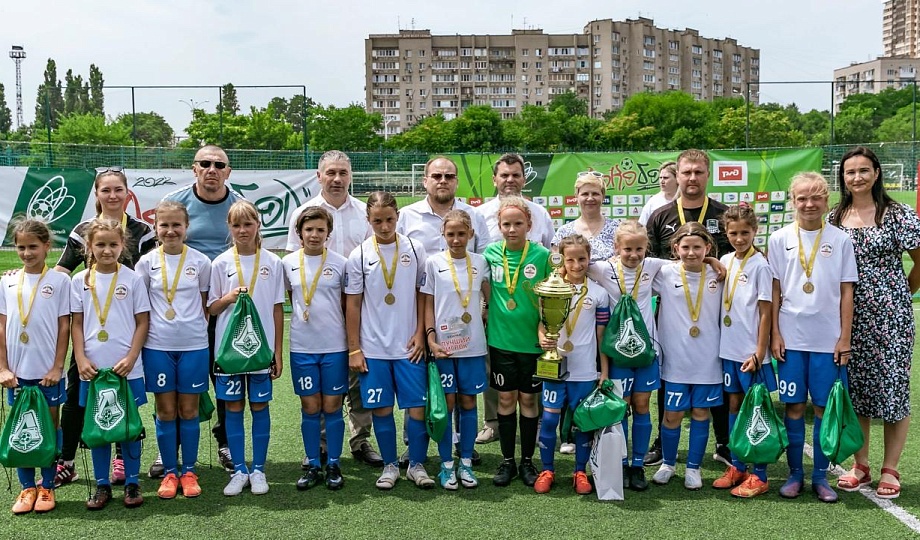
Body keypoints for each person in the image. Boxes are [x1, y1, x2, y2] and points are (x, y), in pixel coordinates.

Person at [54, 167, 156, 487]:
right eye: (105, 190)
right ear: (97, 194)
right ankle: (67, 461)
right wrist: (26, 278)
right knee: (76, 397)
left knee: (125, 395)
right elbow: (62, 270)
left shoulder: (143, 231)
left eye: (118, 189)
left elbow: (158, 271)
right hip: (90, 336)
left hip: (128, 329)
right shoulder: (83, 230)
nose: (112, 195)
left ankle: (122, 458)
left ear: (127, 193)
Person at [828, 146, 920, 500]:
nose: (857, 177)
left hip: (891, 319)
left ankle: (891, 468)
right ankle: (861, 464)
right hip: (848, 318)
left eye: (864, 170)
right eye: (850, 172)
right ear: (843, 177)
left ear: (876, 173)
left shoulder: (897, 214)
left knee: (893, 389)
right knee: (857, 390)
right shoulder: (836, 216)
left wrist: (901, 293)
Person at [286, 150, 382, 469]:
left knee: (358, 378)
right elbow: (294, 267)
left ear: (350, 176)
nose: (337, 179)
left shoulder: (364, 213)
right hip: (319, 314)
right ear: (319, 176)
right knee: (321, 390)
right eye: (331, 172)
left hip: (359, 308)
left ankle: (360, 440)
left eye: (343, 172)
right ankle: (322, 444)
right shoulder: (303, 213)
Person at [769, 172, 857, 503]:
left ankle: (820, 477)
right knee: (793, 407)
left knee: (823, 408)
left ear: (826, 201)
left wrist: (844, 337)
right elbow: (774, 290)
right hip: (791, 339)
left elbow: (846, 292)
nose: (809, 203)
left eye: (816, 197)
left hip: (828, 341)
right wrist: (775, 333)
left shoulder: (841, 239)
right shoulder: (779, 238)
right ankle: (795, 474)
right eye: (802, 198)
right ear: (793, 201)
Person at [398, 156, 489, 467]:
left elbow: (484, 268)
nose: (442, 180)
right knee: (424, 382)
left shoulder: (474, 216)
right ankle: (415, 443)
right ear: (425, 180)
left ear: (456, 181)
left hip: (463, 318)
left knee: (463, 394)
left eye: (449, 176)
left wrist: (484, 311)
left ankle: (463, 446)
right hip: (420, 311)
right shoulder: (408, 215)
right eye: (436, 175)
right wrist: (425, 330)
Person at [644, 149, 731, 468]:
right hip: (674, 307)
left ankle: (723, 442)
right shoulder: (660, 215)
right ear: (677, 175)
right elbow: (647, 261)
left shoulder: (723, 213)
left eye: (698, 172)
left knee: (714, 376)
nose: (692, 178)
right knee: (669, 375)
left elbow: (735, 258)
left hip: (713, 309)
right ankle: (661, 442)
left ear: (708, 175)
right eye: (686, 172)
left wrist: (713, 261)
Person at [162, 145, 246, 474]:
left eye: (219, 165)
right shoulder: (176, 202)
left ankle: (225, 442)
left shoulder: (239, 204)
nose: (212, 169)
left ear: (228, 171)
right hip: (185, 309)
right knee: (175, 384)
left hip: (224, 306)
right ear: (194, 168)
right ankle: (171, 448)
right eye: (205, 163)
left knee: (224, 376)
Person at [345, 192, 431, 490]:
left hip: (410, 347)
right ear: (368, 220)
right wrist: (354, 348)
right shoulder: (359, 255)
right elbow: (353, 304)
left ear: (398, 217)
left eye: (390, 220)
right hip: (374, 348)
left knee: (416, 408)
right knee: (381, 409)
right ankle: (390, 465)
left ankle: (416, 464)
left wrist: (420, 334)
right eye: (377, 221)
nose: (384, 226)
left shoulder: (415, 248)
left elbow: (423, 295)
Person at [474, 153, 554, 446]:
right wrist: (484, 304)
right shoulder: (480, 213)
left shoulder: (540, 212)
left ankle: (538, 424)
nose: (510, 180)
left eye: (515, 175)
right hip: (495, 306)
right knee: (494, 368)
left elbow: (549, 260)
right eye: (504, 175)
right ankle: (492, 422)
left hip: (530, 310)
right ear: (495, 179)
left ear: (524, 178)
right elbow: (478, 264)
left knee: (531, 379)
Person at [71, 218, 150, 509]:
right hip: (92, 369)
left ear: (123, 245)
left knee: (128, 427)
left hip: (126, 368)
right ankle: (102, 484)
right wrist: (80, 358)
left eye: (113, 244)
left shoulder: (132, 279)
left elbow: (143, 322)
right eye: (100, 244)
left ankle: (132, 481)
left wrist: (131, 357)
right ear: (89, 246)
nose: (107, 250)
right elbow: (76, 323)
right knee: (99, 426)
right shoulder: (79, 281)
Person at [135, 201, 211, 499]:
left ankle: (189, 471)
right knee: (166, 411)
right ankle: (169, 471)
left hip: (193, 345)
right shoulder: (146, 263)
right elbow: (140, 308)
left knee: (189, 410)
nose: (170, 231)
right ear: (156, 228)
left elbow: (205, 304)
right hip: (157, 346)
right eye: (164, 225)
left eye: (176, 225)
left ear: (186, 227)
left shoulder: (201, 262)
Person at [208, 201, 285, 497]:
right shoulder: (221, 263)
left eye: (248, 224)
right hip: (229, 353)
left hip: (260, 353)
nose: (243, 230)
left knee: (260, 407)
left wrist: (277, 352)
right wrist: (228, 298)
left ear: (258, 225)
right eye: (236, 225)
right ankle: (239, 470)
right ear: (229, 228)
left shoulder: (273, 262)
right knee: (233, 408)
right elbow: (212, 309)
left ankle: (259, 469)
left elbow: (277, 309)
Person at [587, 219, 668, 491]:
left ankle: (637, 465)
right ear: (616, 247)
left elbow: (686, 264)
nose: (633, 255)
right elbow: (573, 264)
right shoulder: (603, 269)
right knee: (620, 407)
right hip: (618, 354)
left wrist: (714, 262)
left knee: (642, 405)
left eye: (639, 249)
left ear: (647, 248)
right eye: (627, 249)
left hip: (646, 352)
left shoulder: (653, 266)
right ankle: (620, 462)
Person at [0, 220, 71, 514]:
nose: (27, 253)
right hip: (17, 374)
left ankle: (47, 485)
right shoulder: (7, 281)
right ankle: (27, 487)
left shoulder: (60, 282)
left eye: (33, 246)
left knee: (50, 427)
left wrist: (57, 367)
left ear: (47, 246)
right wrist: (3, 368)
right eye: (21, 247)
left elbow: (64, 326)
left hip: (48, 374)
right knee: (22, 429)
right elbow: (2, 327)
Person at [483, 196, 551, 487]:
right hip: (501, 342)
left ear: (529, 225)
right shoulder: (489, 254)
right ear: (499, 226)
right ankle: (507, 460)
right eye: (506, 224)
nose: (512, 229)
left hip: (532, 344)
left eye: (518, 223)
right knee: (506, 399)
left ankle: (527, 461)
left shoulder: (542, 256)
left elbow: (550, 300)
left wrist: (545, 328)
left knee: (529, 400)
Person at [650, 222, 724, 490]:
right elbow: (631, 267)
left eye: (697, 247)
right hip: (676, 359)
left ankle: (694, 468)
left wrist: (714, 262)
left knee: (701, 412)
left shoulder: (719, 274)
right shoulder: (664, 273)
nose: (691, 253)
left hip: (708, 358)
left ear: (708, 247)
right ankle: (668, 464)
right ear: (675, 248)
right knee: (672, 414)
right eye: (685, 247)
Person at [533, 235, 609, 495]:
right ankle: (547, 470)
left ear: (589, 258)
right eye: (570, 260)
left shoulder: (598, 293)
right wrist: (542, 338)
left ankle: (580, 471)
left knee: (582, 421)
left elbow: (601, 337)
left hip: (584, 369)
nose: (576, 265)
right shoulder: (550, 287)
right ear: (562, 260)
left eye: (582, 259)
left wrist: (604, 371)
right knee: (549, 419)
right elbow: (542, 322)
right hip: (554, 367)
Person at [421, 210, 491, 490]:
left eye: (462, 234)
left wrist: (484, 317)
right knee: (446, 405)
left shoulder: (481, 262)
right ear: (443, 234)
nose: (456, 239)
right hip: (444, 347)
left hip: (472, 346)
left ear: (471, 234)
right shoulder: (433, 263)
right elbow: (427, 303)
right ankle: (446, 464)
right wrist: (430, 338)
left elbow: (489, 297)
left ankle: (466, 462)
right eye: (450, 234)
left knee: (469, 402)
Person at [283, 206, 348, 491]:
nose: (314, 234)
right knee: (309, 406)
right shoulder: (287, 263)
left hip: (334, 346)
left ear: (328, 233)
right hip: (302, 347)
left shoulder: (341, 263)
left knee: (332, 406)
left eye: (320, 230)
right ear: (299, 233)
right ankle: (312, 463)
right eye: (309, 229)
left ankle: (333, 462)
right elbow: (291, 298)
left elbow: (346, 304)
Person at [714, 204, 775, 498]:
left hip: (751, 353)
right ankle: (738, 466)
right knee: (734, 406)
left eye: (745, 233)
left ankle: (760, 474)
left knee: (756, 411)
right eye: (733, 233)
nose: (739, 238)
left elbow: (766, 312)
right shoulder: (726, 260)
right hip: (729, 350)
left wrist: (760, 352)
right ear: (726, 233)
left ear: (755, 231)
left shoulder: (760, 265)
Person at [552, 172, 617, 262]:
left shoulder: (617, 229)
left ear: (603, 197)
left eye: (595, 194)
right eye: (585, 194)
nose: (590, 198)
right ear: (576, 197)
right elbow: (556, 266)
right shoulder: (563, 232)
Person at [638, 161, 679, 226]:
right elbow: (641, 226)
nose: (662, 181)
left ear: (677, 178)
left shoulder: (686, 200)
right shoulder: (653, 202)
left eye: (666, 178)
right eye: (660, 178)